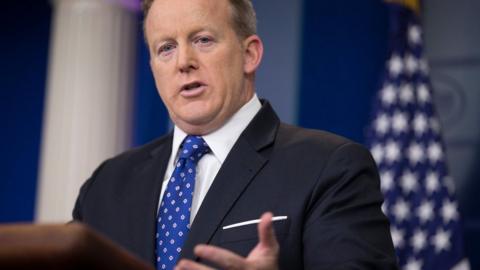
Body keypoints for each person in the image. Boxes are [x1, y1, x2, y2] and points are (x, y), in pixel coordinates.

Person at [73, 0, 398, 269]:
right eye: (166, 48)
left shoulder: (329, 167)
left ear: (250, 55)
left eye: (203, 40)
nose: (183, 62)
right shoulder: (106, 185)